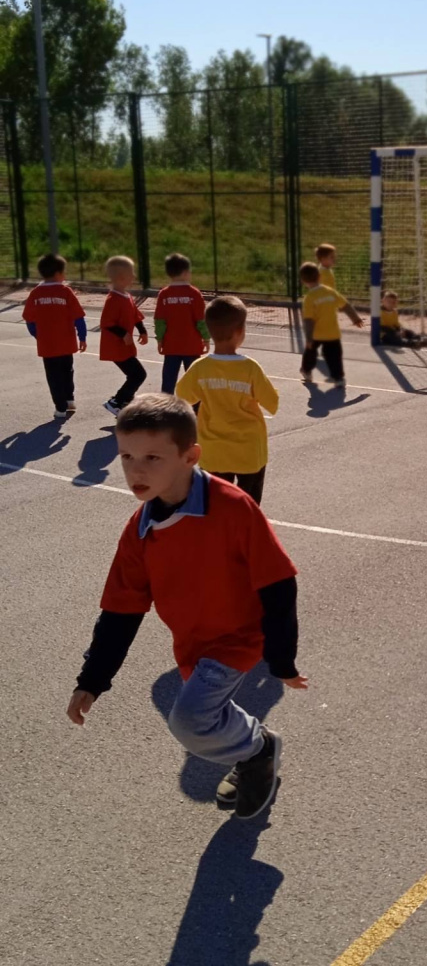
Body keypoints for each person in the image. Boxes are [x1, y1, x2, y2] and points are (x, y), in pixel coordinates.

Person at [65, 394, 307, 820]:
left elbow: (278, 584)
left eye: (152, 458)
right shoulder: (140, 530)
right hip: (193, 642)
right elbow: (121, 611)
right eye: (126, 457)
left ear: (190, 456)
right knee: (208, 713)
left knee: (190, 721)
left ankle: (256, 751)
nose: (136, 471)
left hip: (239, 638)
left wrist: (281, 657)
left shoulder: (232, 507)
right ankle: (255, 746)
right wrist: (93, 678)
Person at [175, 295, 277, 505]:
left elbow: (182, 396)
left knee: (216, 503)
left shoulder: (200, 367)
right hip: (248, 450)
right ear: (240, 332)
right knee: (249, 504)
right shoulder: (250, 368)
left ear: (209, 330)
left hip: (213, 451)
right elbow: (272, 403)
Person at [22, 253, 87, 418]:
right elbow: (78, 317)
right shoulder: (66, 292)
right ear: (58, 273)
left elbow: (29, 319)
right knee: (67, 371)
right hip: (67, 343)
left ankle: (60, 407)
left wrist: (38, 336)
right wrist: (82, 337)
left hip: (47, 345)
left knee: (54, 376)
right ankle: (69, 399)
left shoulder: (36, 293)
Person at [300, 261, 364, 387]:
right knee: (335, 356)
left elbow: (308, 320)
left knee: (311, 353)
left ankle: (306, 370)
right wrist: (355, 318)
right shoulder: (330, 292)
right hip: (332, 333)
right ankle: (338, 378)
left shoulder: (309, 298)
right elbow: (345, 305)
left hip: (317, 334)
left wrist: (308, 338)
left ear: (303, 281)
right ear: (319, 276)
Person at [154, 252, 210, 394]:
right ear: (185, 272)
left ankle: (165, 404)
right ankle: (195, 405)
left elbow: (160, 321)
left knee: (169, 379)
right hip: (192, 345)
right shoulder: (194, 294)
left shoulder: (164, 294)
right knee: (193, 380)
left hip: (171, 345)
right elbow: (201, 320)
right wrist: (206, 338)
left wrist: (160, 339)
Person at [101, 256, 148, 416]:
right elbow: (107, 322)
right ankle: (116, 402)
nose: (134, 276)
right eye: (131, 273)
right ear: (122, 277)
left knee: (134, 375)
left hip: (125, 347)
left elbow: (135, 315)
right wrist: (123, 333)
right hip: (116, 347)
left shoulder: (126, 296)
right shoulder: (113, 299)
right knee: (138, 374)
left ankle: (124, 404)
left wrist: (142, 330)